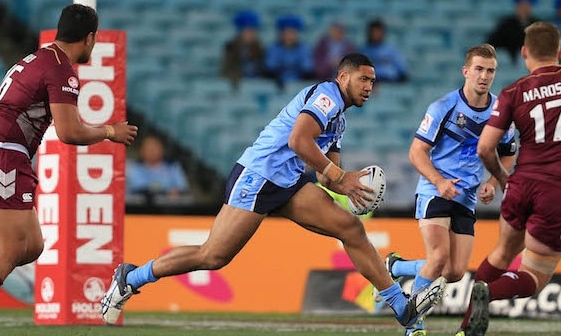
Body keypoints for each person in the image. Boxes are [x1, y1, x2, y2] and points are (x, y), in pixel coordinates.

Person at [101, 53, 446, 326]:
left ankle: (402, 307)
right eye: (363, 78)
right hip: (259, 176)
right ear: (343, 77)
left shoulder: (338, 119)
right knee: (214, 256)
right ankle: (132, 277)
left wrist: (350, 185)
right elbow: (298, 140)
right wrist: (341, 177)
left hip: (290, 181)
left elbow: (327, 174)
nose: (370, 86)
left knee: (350, 228)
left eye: (373, 80)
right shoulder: (326, 96)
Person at [0, 4, 138, 306]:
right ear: (90, 38)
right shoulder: (60, 69)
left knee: (32, 247)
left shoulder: (34, 59)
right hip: (5, 158)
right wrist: (110, 132)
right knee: (10, 250)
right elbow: (70, 132)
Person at [384, 44, 517, 336]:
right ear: (466, 71)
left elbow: (508, 151)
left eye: (490, 70)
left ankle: (397, 267)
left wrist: (493, 182)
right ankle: (414, 325)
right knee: (438, 258)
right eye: (479, 69)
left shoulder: (499, 112)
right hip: (435, 189)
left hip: (467, 197)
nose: (484, 76)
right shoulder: (443, 107)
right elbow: (417, 151)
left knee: (454, 272)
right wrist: (440, 181)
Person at [458, 22, 561, 336]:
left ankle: (465, 327)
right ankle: (492, 294)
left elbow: (485, 147)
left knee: (501, 253)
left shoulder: (513, 91)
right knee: (534, 277)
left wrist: (501, 176)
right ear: (560, 52)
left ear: (525, 53)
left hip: (521, 185)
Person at [265, 14, 315, 89]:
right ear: (282, 33)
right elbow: (270, 69)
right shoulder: (274, 48)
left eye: (293, 32)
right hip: (277, 85)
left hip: (298, 85)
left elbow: (307, 70)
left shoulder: (303, 49)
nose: (290, 35)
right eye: (287, 32)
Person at [220, 10, 266, 89]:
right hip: (238, 84)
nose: (250, 34)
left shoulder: (259, 47)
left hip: (257, 84)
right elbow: (226, 70)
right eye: (247, 31)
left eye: (252, 31)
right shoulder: (231, 47)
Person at [486, 0, 539, 64]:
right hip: (508, 64)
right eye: (521, 6)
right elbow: (491, 43)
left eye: (526, 6)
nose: (524, 9)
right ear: (516, 7)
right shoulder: (506, 24)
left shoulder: (538, 26)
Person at [360, 19, 408, 83]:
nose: (375, 35)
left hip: (391, 81)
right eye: (373, 32)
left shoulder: (391, 50)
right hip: (373, 82)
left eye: (378, 32)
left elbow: (402, 70)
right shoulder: (364, 51)